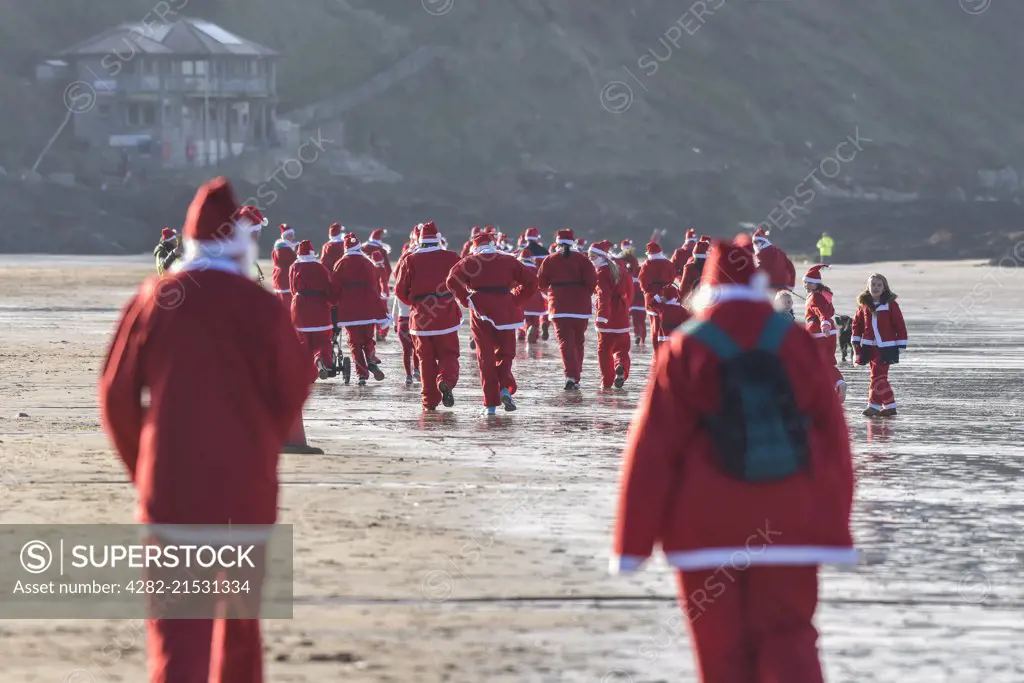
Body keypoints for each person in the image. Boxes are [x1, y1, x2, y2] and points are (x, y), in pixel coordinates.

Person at [610, 238, 856, 683]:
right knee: (789, 636)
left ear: (706, 287)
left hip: (704, 528)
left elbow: (652, 449)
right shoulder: (795, 342)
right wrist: (832, 523)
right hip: (789, 524)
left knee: (719, 647)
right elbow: (834, 440)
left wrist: (633, 544)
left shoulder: (686, 346)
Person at [100, 176, 310, 683]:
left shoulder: (155, 298)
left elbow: (115, 395)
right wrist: (261, 445)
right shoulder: (261, 306)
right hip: (245, 489)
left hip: (171, 487)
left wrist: (142, 465)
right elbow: (296, 383)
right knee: (240, 630)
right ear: (240, 243)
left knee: (178, 630)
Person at [447, 230, 537, 414]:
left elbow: (451, 281)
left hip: (480, 309)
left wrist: (466, 299)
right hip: (506, 308)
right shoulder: (509, 261)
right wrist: (516, 300)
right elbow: (532, 281)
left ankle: (490, 406)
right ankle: (505, 387)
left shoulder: (470, 262)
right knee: (506, 353)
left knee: (485, 357)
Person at [394, 221, 463, 409]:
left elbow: (400, 291)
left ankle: (429, 401)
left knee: (425, 360)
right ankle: (446, 381)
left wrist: (415, 303)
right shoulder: (451, 257)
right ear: (438, 239)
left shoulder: (409, 260)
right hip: (446, 314)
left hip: (420, 318)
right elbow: (462, 281)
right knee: (449, 354)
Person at [537, 229, 598, 391]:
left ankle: (570, 375)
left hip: (558, 307)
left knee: (565, 343)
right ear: (574, 242)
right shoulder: (584, 260)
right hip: (580, 307)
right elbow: (592, 282)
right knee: (579, 342)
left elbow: (541, 283)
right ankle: (576, 376)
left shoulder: (550, 260)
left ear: (557, 243)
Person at [331, 233, 387, 386]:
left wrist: (333, 302)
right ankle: (370, 359)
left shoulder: (340, 263)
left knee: (354, 343)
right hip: (368, 306)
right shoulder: (367, 262)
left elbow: (335, 286)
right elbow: (373, 283)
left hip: (349, 309)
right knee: (368, 338)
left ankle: (362, 374)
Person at [852, 273, 907, 417]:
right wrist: (856, 344)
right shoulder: (863, 305)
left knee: (878, 377)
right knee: (877, 376)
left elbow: (899, 325)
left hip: (887, 347)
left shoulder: (891, 304)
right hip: (869, 347)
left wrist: (901, 345)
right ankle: (888, 406)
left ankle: (876, 406)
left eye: (879, 285)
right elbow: (857, 325)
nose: (875, 287)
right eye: (873, 285)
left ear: (884, 288)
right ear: (868, 287)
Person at [588, 240, 633, 389]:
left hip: (607, 317)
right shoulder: (620, 270)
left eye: (592, 257)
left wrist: (601, 316)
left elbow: (603, 296)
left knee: (604, 351)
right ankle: (621, 368)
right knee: (622, 349)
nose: (591, 260)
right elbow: (630, 291)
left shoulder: (601, 273)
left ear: (601, 256)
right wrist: (627, 308)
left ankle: (607, 381)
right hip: (621, 316)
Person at [290, 239, 335, 381]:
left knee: (303, 341)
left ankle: (308, 371)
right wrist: (332, 302)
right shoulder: (320, 267)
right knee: (322, 340)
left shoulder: (294, 267)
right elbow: (329, 288)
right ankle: (320, 360)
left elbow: (292, 289)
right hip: (319, 307)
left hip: (300, 307)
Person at [803, 264, 847, 403]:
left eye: (810, 283)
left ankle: (826, 388)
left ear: (817, 284)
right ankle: (837, 383)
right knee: (827, 361)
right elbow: (829, 312)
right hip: (830, 333)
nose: (807, 285)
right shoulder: (823, 296)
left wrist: (824, 324)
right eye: (805, 282)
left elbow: (822, 313)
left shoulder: (815, 298)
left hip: (819, 332)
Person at [637, 240, 676, 354]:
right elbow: (672, 277)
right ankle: (667, 351)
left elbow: (643, 283)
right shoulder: (668, 263)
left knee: (655, 326)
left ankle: (657, 353)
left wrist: (647, 292)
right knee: (667, 324)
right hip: (666, 296)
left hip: (651, 298)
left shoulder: (646, 264)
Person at [365, 228, 393, 342]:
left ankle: (368, 332)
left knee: (367, 310)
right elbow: (388, 269)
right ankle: (381, 332)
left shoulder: (362, 248)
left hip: (366, 287)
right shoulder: (381, 251)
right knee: (383, 310)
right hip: (379, 286)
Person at [618, 239, 647, 347]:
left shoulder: (625, 264)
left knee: (633, 321)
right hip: (632, 298)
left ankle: (637, 340)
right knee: (638, 321)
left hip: (632, 298)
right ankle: (639, 340)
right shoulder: (625, 263)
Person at [650, 283, 691, 356]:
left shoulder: (662, 308)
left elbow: (650, 305)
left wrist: (659, 297)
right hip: (676, 338)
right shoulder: (681, 309)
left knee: (663, 359)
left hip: (662, 338)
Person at [517, 247, 548, 343]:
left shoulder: (518, 268)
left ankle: (522, 333)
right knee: (535, 320)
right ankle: (534, 331)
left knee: (522, 319)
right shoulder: (536, 269)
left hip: (523, 297)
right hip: (536, 297)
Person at [752, 226, 796, 291]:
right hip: (783, 284)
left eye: (756, 242)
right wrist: (790, 285)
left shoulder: (760, 254)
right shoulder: (779, 251)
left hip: (769, 286)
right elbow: (791, 268)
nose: (755, 244)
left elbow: (759, 269)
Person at [271, 224, 297, 307]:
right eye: (291, 235)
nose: (293, 238)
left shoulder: (277, 248)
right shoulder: (284, 249)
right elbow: (293, 261)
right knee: (287, 304)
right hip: (285, 279)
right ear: (287, 236)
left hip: (277, 277)